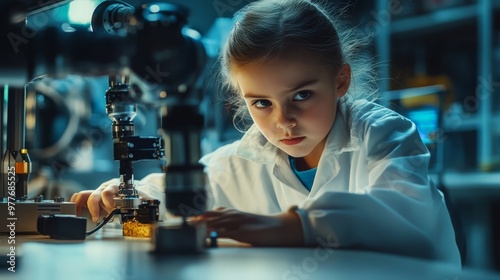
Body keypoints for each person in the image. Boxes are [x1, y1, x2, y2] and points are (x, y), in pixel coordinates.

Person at [71, 0, 461, 265]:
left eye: (302, 95)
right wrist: (132, 194)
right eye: (261, 103)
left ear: (340, 79)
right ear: (241, 99)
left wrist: (296, 226)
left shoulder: (383, 134)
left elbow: (406, 218)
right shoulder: (247, 155)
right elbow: (192, 186)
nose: (283, 120)